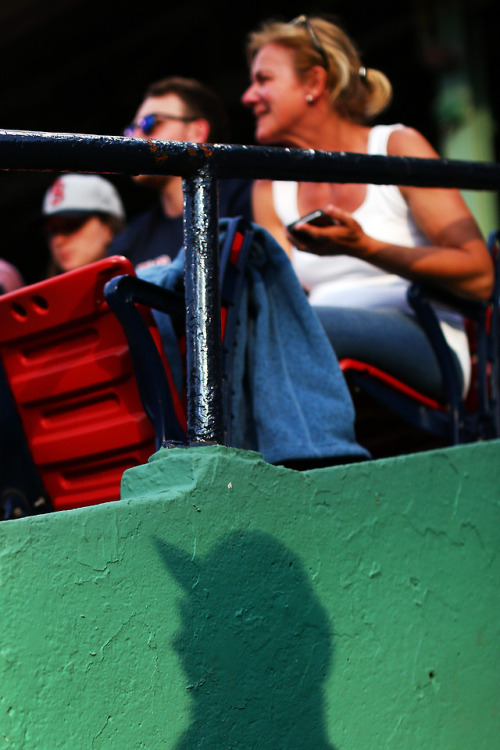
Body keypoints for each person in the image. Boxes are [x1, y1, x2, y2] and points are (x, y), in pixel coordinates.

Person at [241, 15, 494, 400]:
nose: (247, 96)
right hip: (315, 338)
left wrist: (364, 247)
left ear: (314, 83)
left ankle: (316, 458)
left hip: (425, 335)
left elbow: (480, 275)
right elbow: (284, 298)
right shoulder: (269, 187)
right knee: (239, 335)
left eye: (263, 80)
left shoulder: (397, 146)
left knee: (298, 329)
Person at [110, 76, 253, 269]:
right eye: (131, 130)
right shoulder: (130, 240)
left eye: (149, 123)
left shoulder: (250, 200)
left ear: (197, 131)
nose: (135, 137)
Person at [42, 173, 126, 275]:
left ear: (108, 228)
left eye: (71, 226)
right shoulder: (44, 291)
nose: (58, 241)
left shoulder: (143, 280)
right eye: (52, 231)